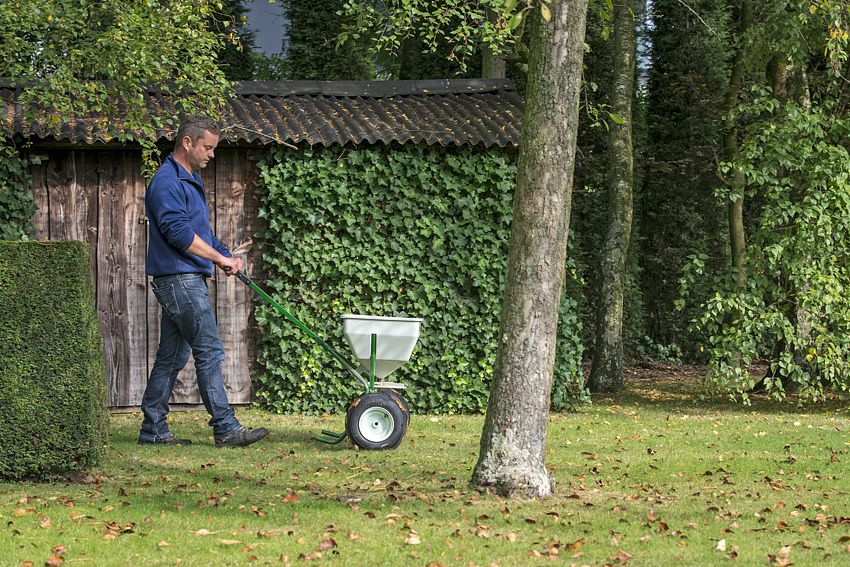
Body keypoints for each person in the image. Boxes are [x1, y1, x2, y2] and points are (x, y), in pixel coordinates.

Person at [138, 114, 269, 448]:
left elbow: (202, 233)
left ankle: (152, 430)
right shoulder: (167, 182)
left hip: (186, 277)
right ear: (187, 143)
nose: (212, 154)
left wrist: (227, 255)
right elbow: (180, 235)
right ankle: (225, 428)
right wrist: (219, 258)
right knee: (209, 349)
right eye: (207, 148)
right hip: (179, 279)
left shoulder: (188, 180)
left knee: (171, 357)